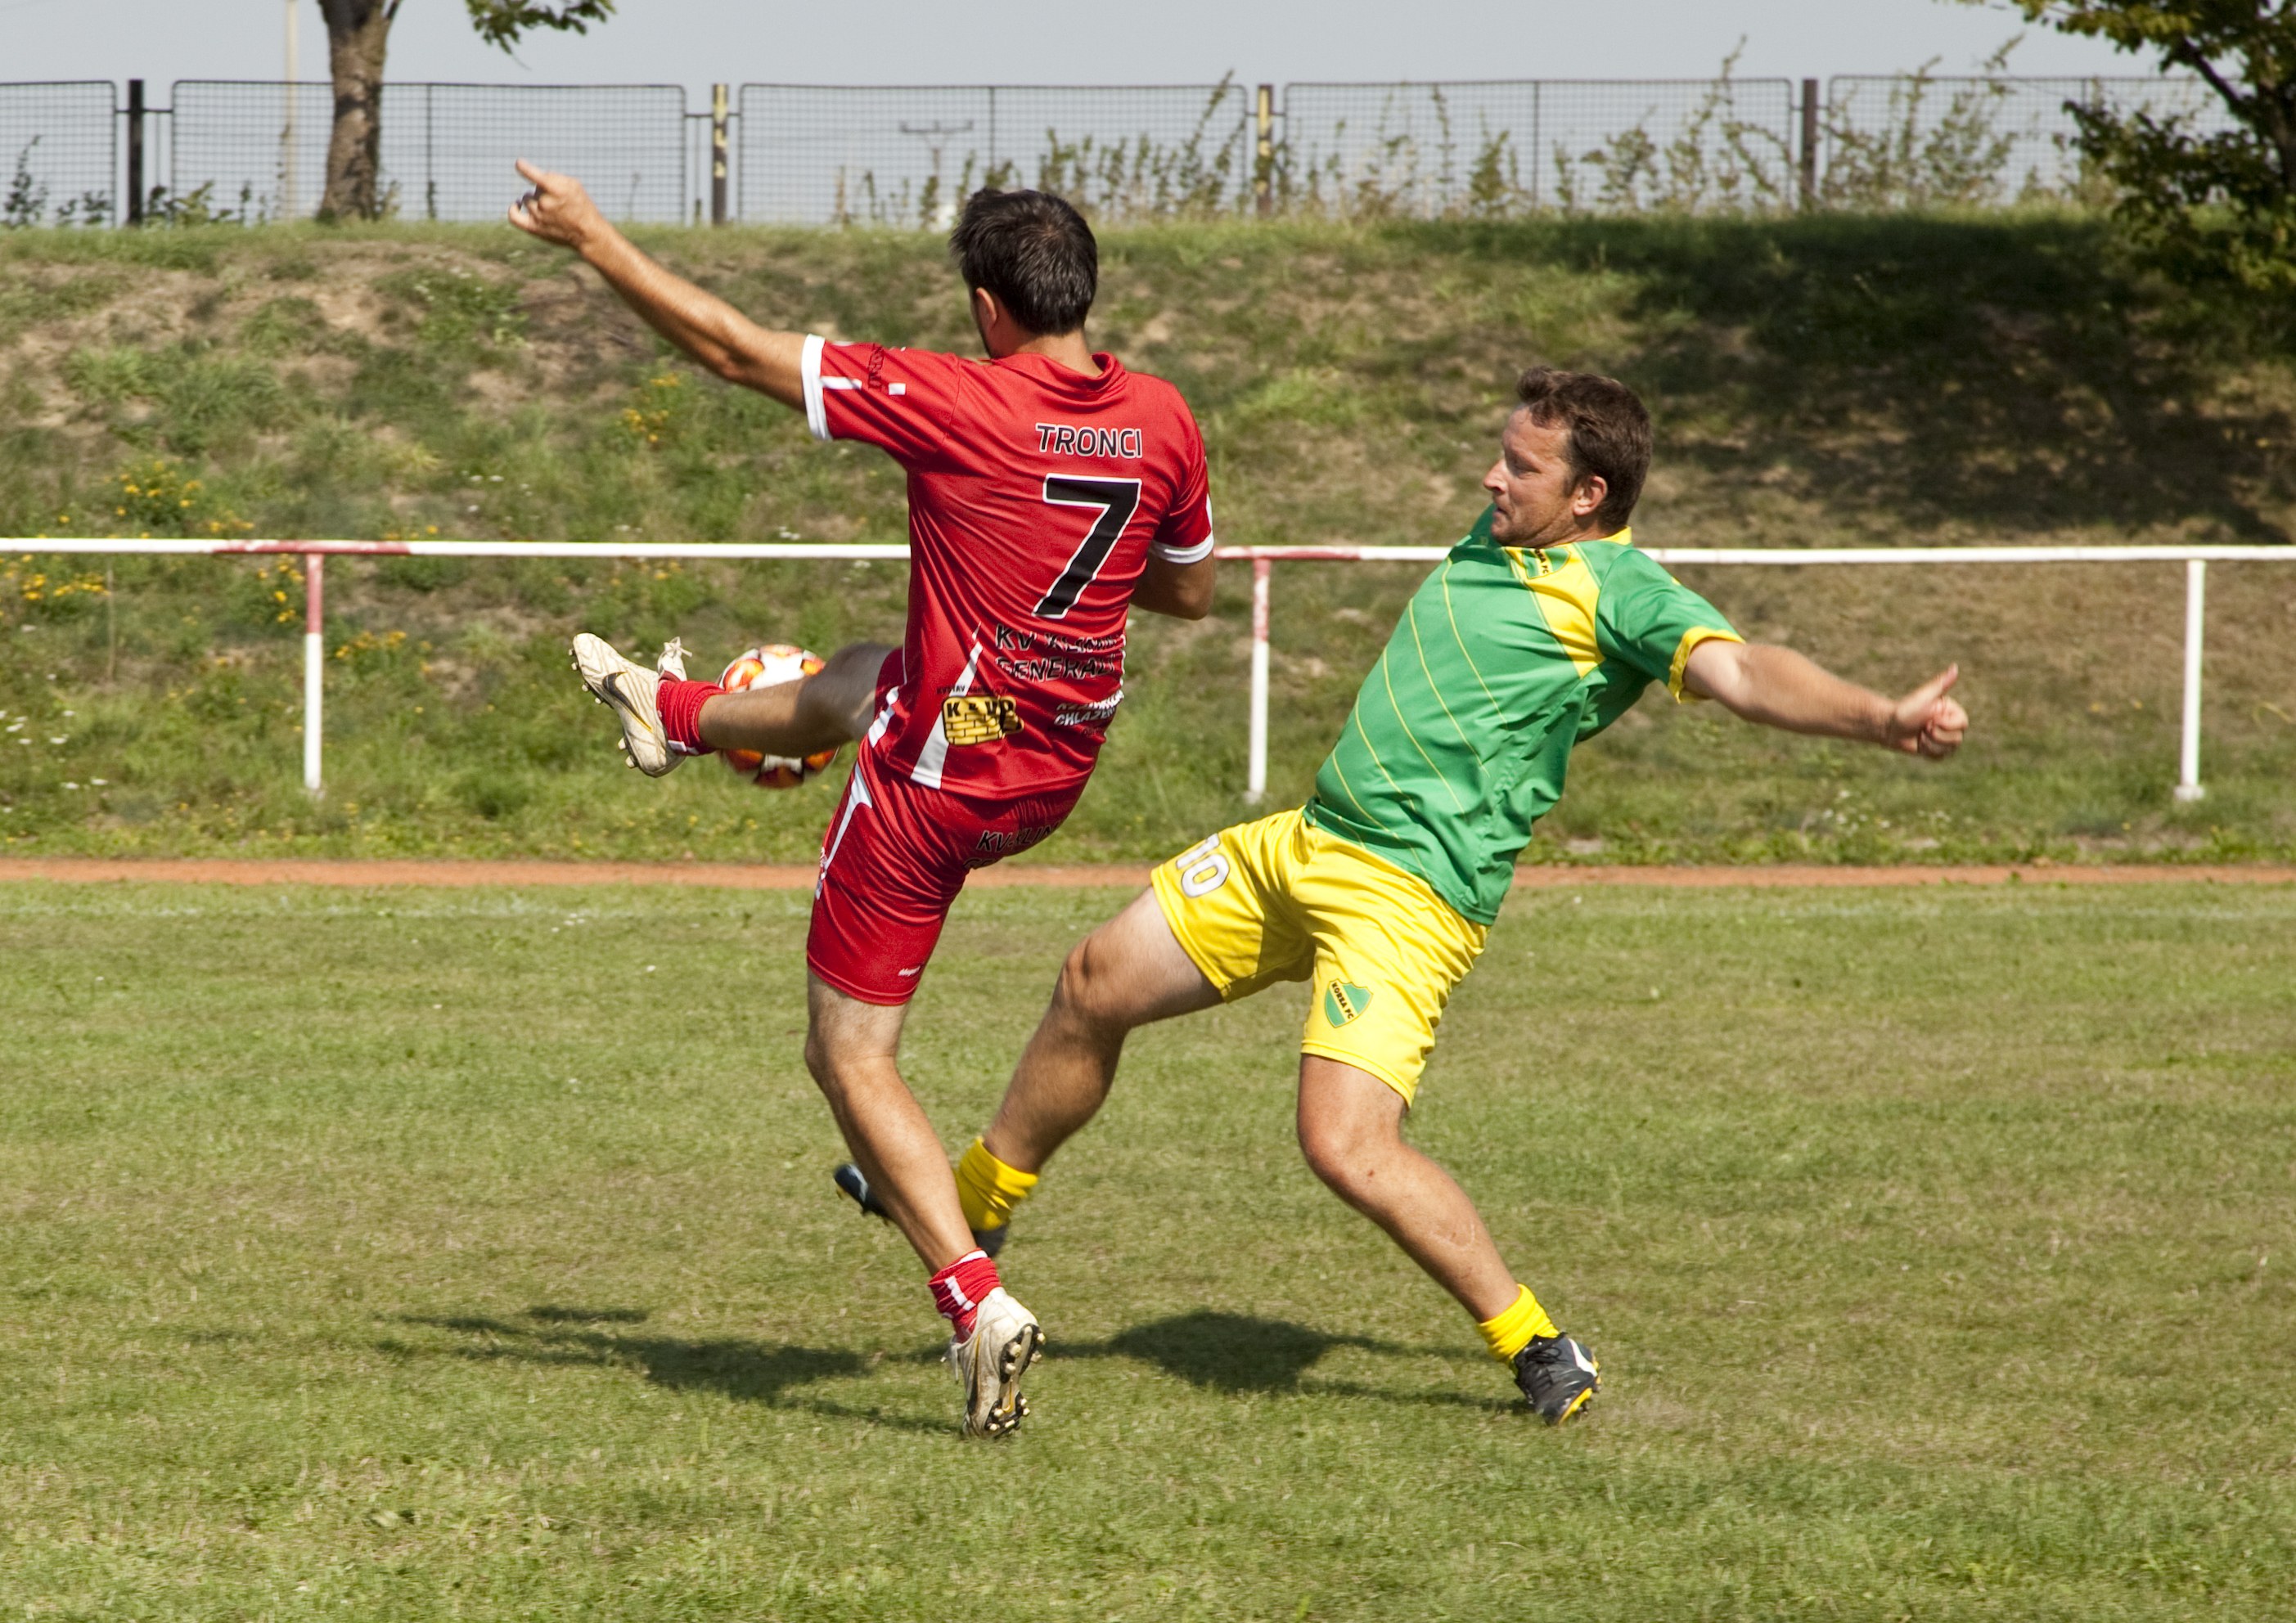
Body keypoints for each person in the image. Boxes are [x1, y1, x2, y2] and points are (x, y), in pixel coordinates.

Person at [844, 366, 1968, 1424]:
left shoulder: (1618, 587)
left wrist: (1877, 717)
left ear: (1588, 495)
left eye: (1520, 468)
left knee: (1344, 1143)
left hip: (1409, 894)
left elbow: (1741, 671)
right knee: (1093, 981)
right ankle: (981, 1200)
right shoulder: (1498, 537)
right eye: (1498, 457)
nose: (1491, 479)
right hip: (1309, 842)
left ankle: (1535, 1343)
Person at [507, 163, 1218, 1437]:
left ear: (990, 308)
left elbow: (732, 352)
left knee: (846, 1052)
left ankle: (973, 1302)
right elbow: (1187, 591)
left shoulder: (962, 399)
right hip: (1051, 768)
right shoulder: (1160, 416)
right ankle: (672, 718)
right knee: (864, 679)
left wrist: (592, 236)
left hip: (939, 782)